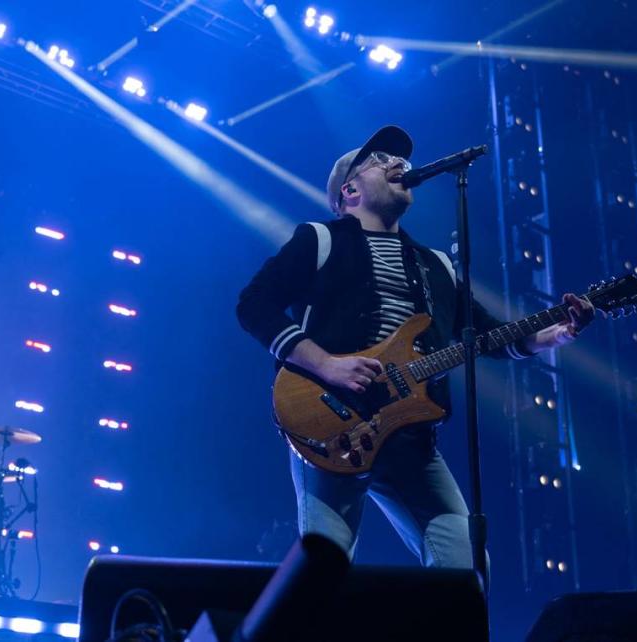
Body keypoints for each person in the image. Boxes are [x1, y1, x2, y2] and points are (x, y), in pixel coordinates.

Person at [235, 125, 594, 572]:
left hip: (411, 435)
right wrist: (327, 365)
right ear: (348, 190)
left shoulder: (436, 264)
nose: (396, 164)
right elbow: (254, 305)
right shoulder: (319, 239)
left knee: (464, 564)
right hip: (330, 421)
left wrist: (556, 334)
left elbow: (487, 335)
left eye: (398, 159)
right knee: (324, 570)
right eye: (378, 160)